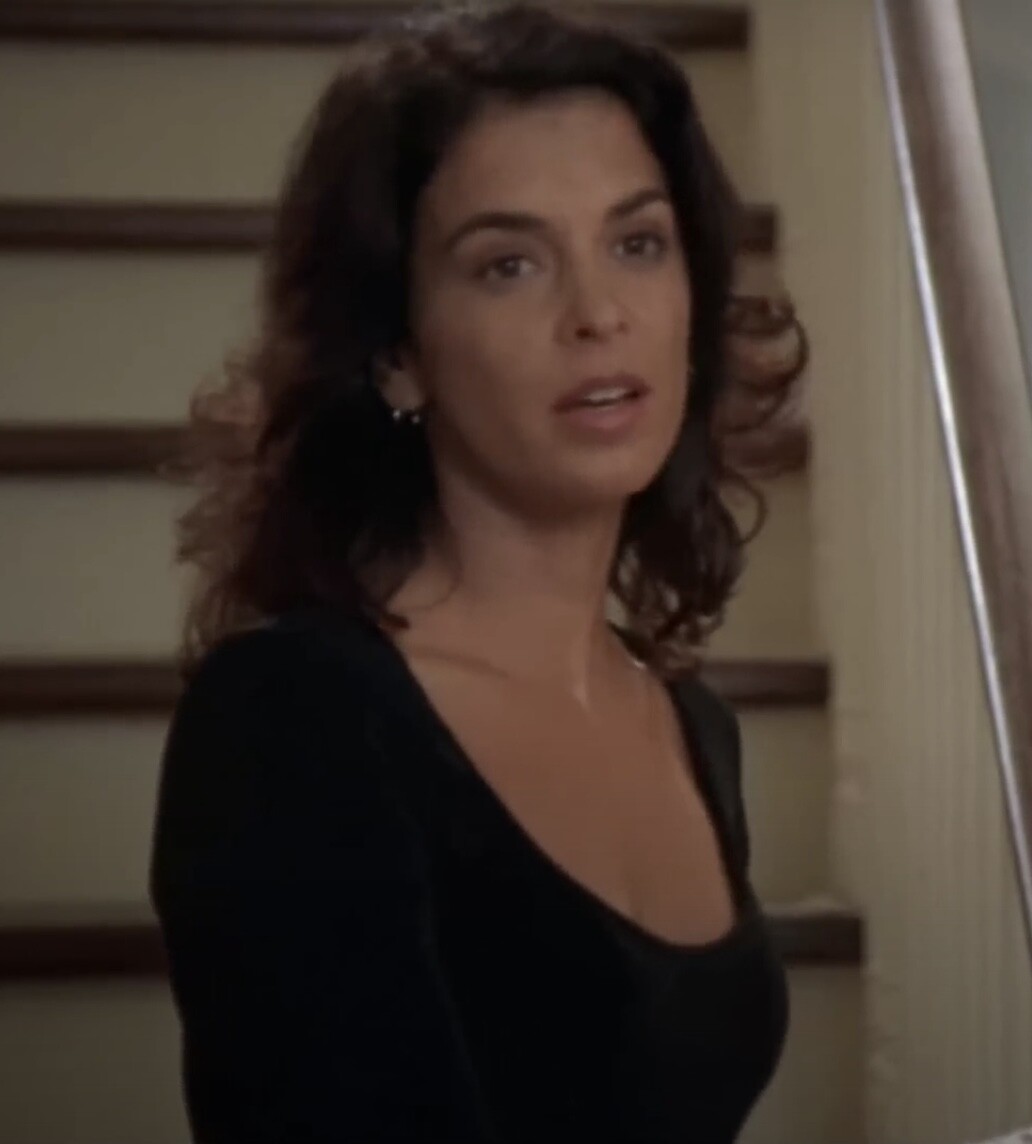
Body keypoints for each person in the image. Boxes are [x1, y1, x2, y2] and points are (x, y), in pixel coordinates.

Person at [150, 2, 805, 1140]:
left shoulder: (694, 725)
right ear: (397, 353)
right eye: (509, 264)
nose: (598, 314)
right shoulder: (295, 718)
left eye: (637, 244)